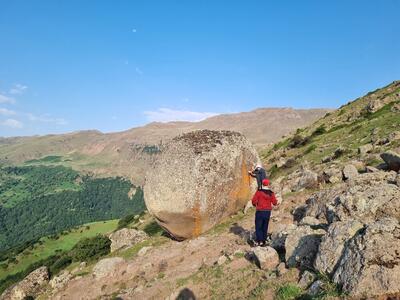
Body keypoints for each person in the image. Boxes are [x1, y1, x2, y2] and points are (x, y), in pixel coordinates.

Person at [251, 178, 278, 247]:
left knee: (258, 226)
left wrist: (255, 205)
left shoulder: (259, 192)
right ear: (268, 184)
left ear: (262, 184)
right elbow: (274, 202)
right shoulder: (271, 193)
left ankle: (259, 241)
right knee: (265, 226)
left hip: (260, 211)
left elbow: (254, 200)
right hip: (267, 211)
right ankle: (264, 240)